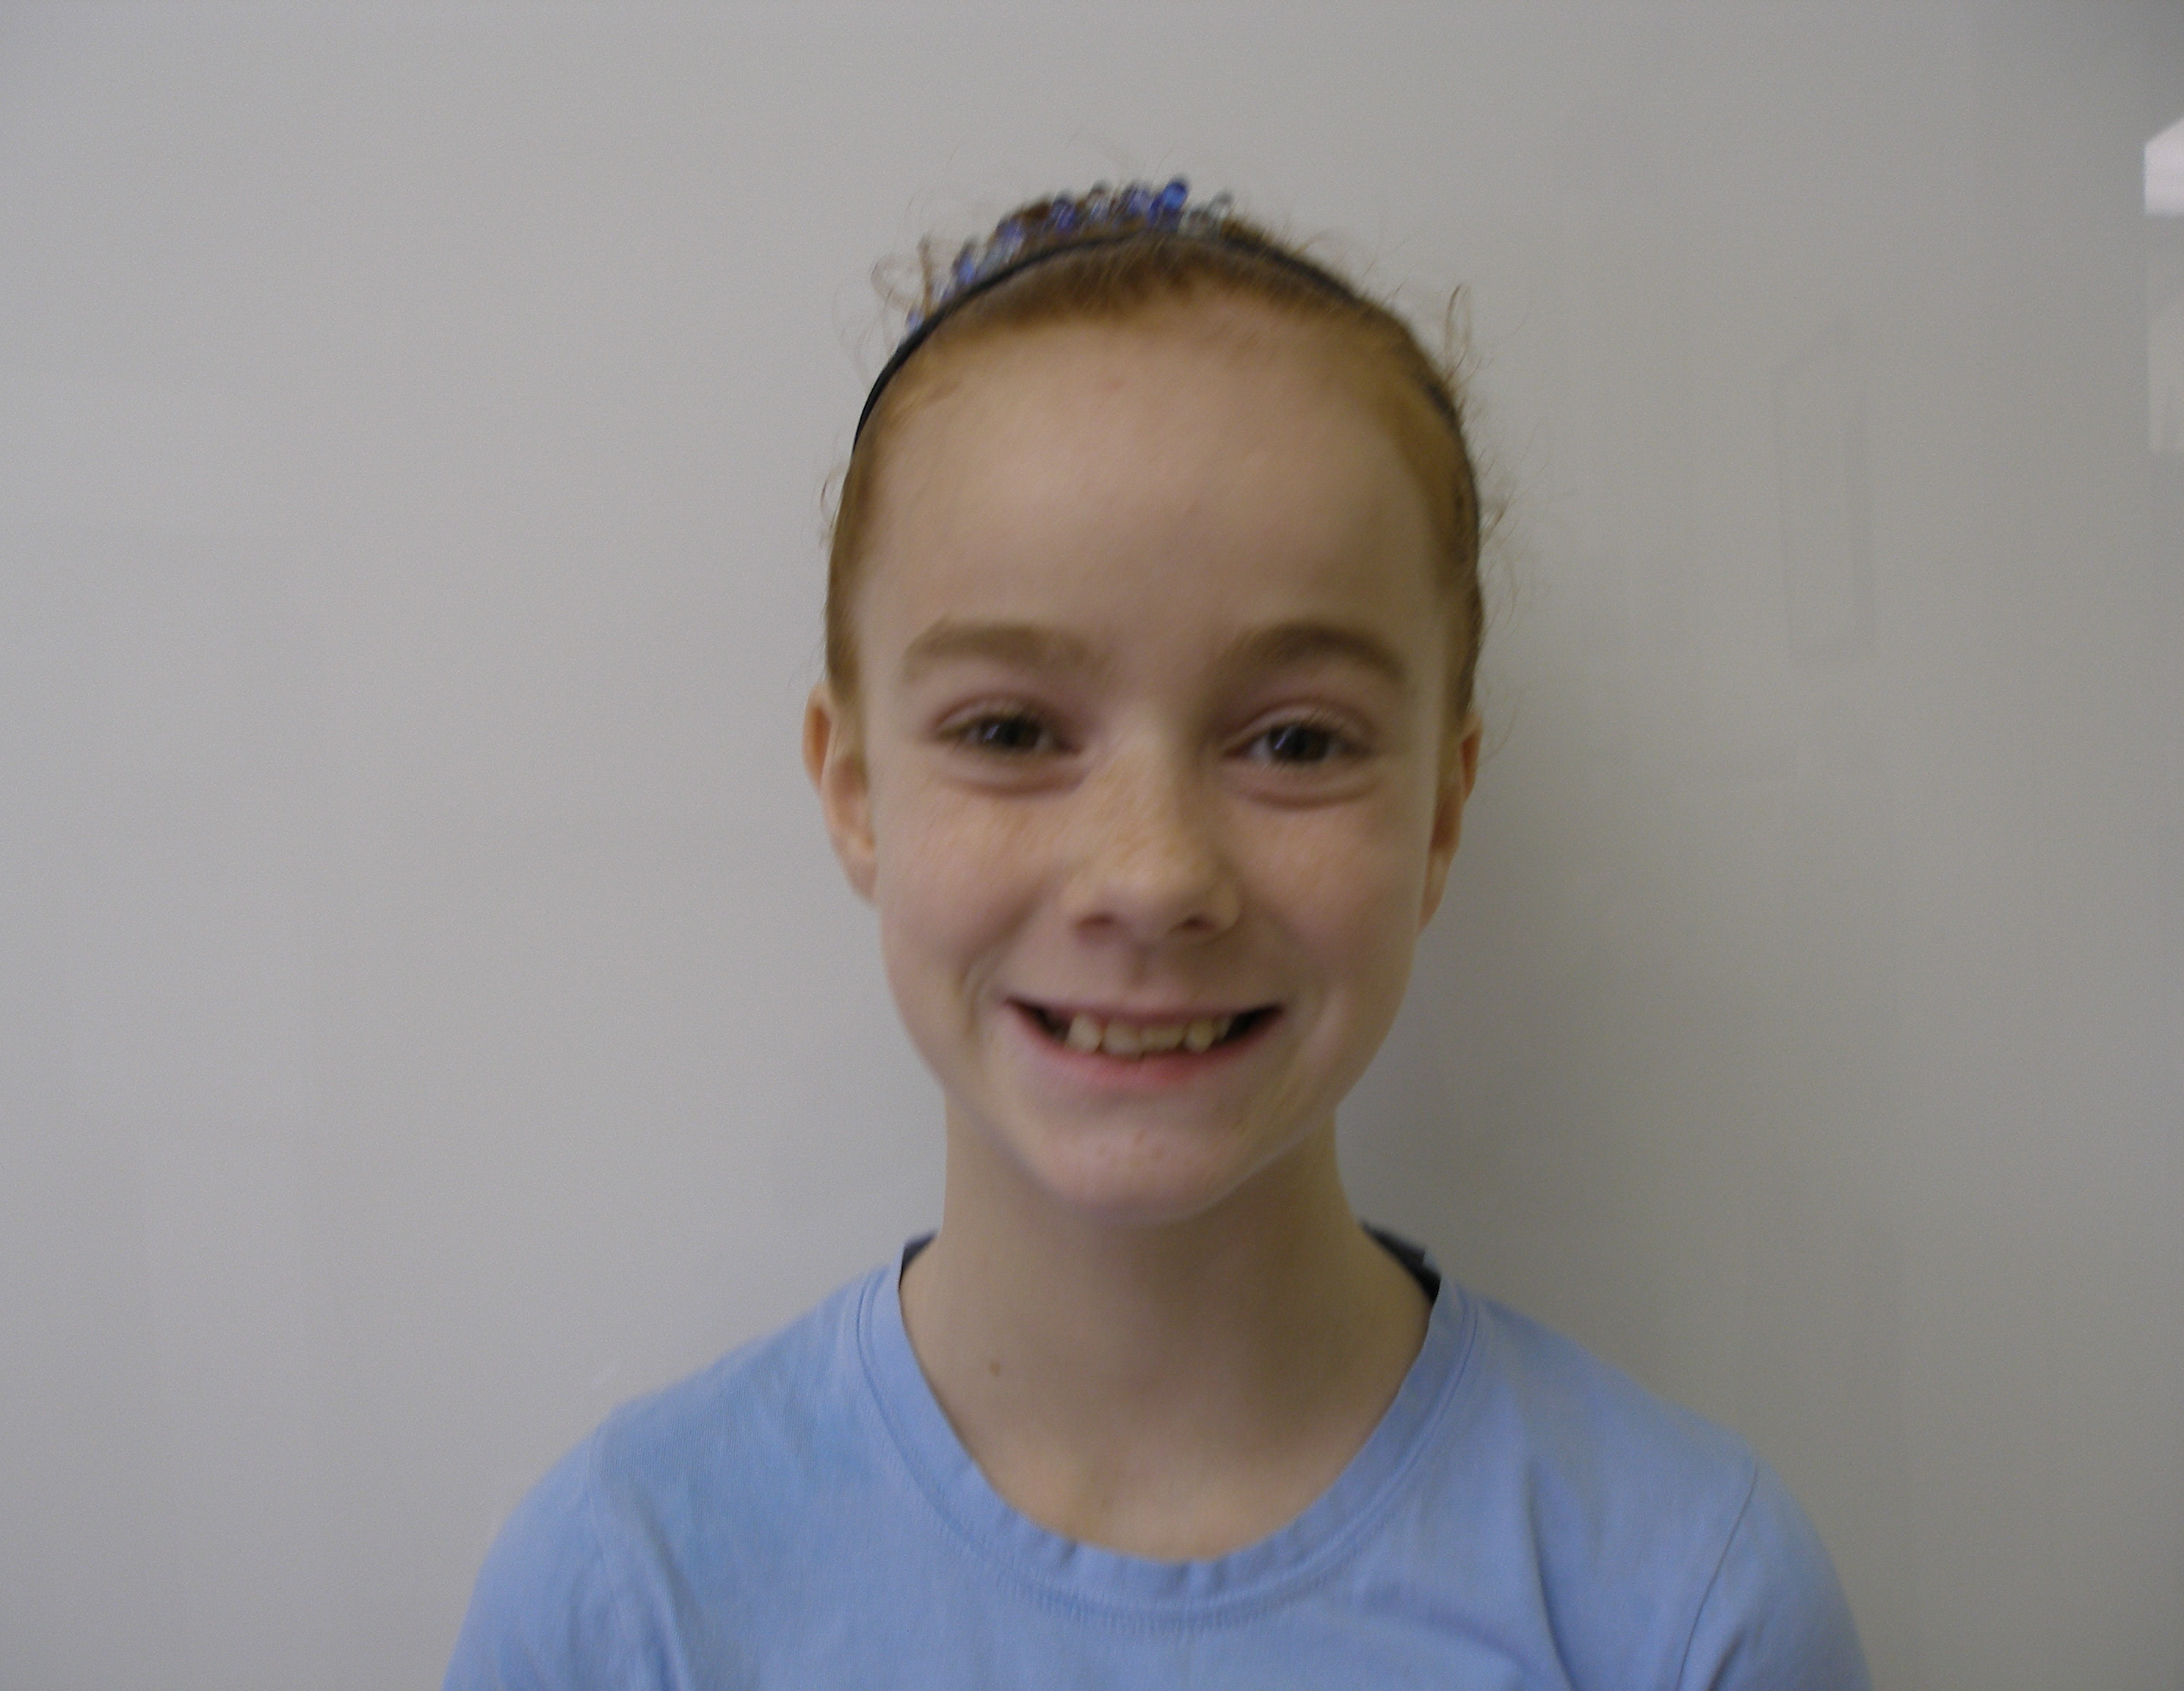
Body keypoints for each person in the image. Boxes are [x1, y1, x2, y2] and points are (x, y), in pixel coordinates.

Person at [443, 179, 1871, 1689]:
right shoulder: (628, 1602)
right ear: (855, 792)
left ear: (1443, 814)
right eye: (1009, 731)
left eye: (1298, 742)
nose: (1151, 874)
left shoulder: (1683, 1605)